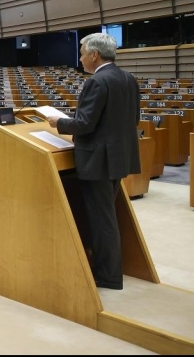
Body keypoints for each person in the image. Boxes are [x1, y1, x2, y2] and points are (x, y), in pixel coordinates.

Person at [46, 32, 141, 290]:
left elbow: (85, 124)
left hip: (98, 161)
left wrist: (59, 122)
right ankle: (107, 270)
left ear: (94, 55)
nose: (81, 58)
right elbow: (132, 120)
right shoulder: (128, 78)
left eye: (82, 53)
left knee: (102, 220)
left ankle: (108, 276)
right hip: (118, 158)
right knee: (105, 216)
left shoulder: (96, 82)